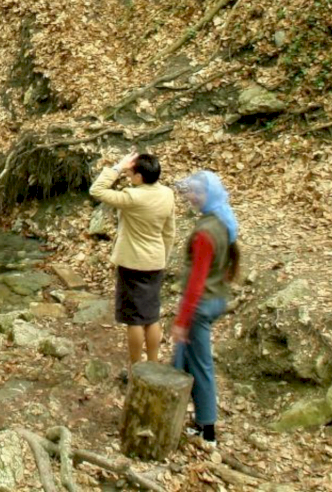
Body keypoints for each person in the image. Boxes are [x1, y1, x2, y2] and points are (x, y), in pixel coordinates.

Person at [171, 170, 241, 445]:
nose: (190, 196)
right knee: (181, 360)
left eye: (196, 193)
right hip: (215, 299)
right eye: (190, 191)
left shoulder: (205, 232)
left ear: (208, 195)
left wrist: (182, 321)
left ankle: (207, 429)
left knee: (201, 366)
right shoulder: (222, 222)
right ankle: (178, 413)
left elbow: (196, 282)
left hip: (200, 306)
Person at [89, 150, 175, 368]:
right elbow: (169, 232)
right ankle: (153, 364)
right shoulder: (167, 194)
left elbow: (96, 189)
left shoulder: (132, 197)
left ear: (139, 177)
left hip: (132, 264)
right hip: (155, 262)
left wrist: (118, 167)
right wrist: (163, 256)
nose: (128, 176)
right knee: (152, 316)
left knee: (135, 320)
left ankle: (136, 366)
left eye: (130, 173)